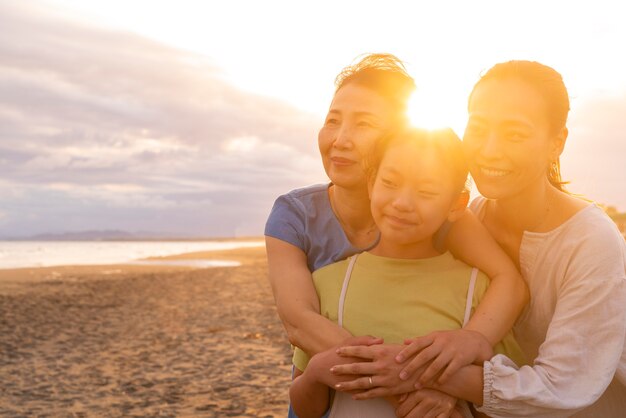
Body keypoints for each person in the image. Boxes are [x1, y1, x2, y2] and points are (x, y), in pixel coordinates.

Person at [331, 60, 626, 417]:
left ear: (556, 142)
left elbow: (561, 387)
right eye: (478, 127)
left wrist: (439, 379)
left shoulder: (592, 242)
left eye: (514, 134)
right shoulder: (470, 216)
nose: (488, 150)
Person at [264, 53, 528, 417]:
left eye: (363, 124)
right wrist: (410, 381)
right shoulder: (296, 214)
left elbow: (507, 282)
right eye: (333, 120)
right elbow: (298, 320)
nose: (341, 138)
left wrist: (463, 353)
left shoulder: (440, 214)